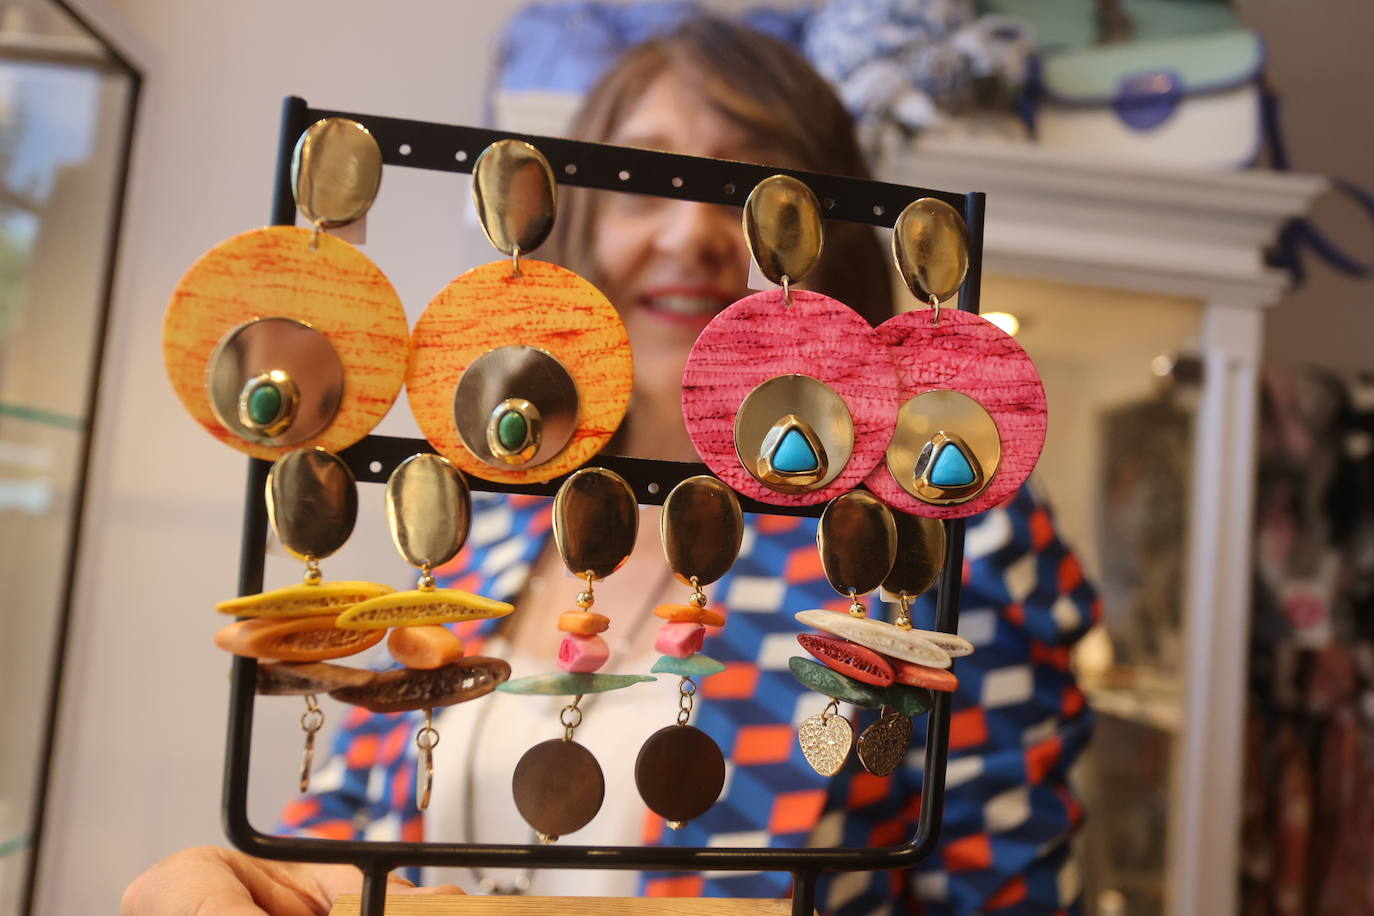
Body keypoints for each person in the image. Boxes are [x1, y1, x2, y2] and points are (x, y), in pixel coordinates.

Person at [124, 16, 1097, 916]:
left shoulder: (931, 526)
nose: (693, 231)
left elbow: (1004, 885)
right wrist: (256, 882)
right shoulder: (482, 509)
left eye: (763, 198)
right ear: (585, 224)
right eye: (655, 182)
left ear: (830, 238)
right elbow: (365, 809)